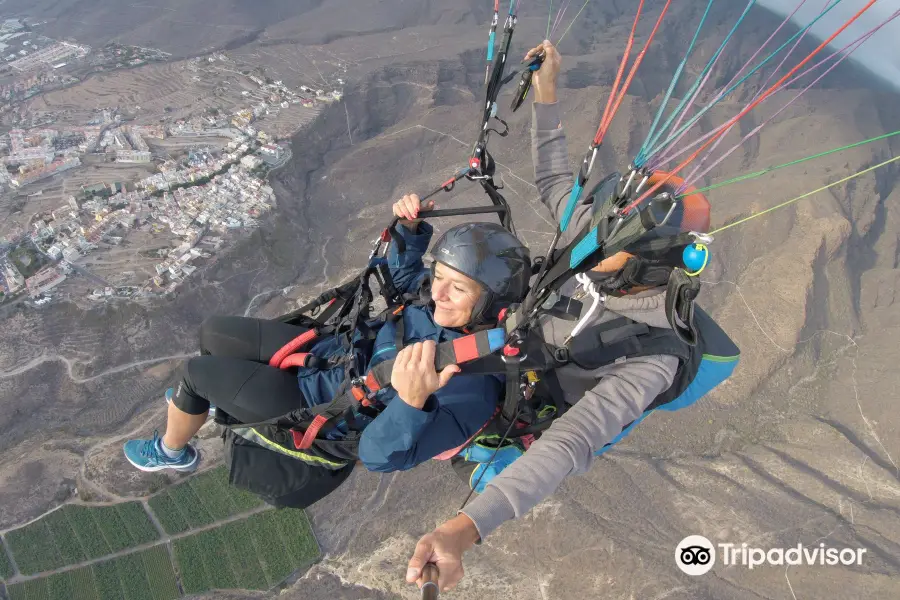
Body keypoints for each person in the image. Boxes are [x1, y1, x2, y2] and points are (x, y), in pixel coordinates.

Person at [405, 39, 739, 592]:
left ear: (645, 261)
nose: (587, 243)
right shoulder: (598, 238)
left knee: (478, 456)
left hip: (549, 394)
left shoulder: (651, 358)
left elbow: (570, 444)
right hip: (528, 343)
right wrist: (547, 90)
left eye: (605, 241)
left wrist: (465, 529)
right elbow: (556, 180)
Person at [123, 194, 531, 509]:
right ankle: (208, 407)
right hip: (329, 354)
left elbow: (379, 457)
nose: (438, 292)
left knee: (197, 374)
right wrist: (410, 230)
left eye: (456, 288)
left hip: (318, 408)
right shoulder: (442, 300)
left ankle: (172, 451)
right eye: (439, 275)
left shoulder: (470, 386)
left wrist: (411, 401)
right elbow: (409, 279)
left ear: (490, 303)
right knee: (215, 333)